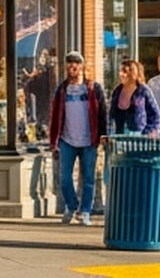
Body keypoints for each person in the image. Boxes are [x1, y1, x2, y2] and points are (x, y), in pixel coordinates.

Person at [48, 53, 105, 226]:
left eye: (76, 64)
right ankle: (72, 205)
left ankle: (85, 211)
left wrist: (102, 134)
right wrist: (53, 140)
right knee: (65, 178)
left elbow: (102, 112)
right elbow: (55, 115)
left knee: (88, 178)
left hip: (89, 140)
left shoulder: (93, 88)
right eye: (69, 65)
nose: (72, 68)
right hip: (67, 139)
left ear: (82, 66)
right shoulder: (62, 89)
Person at [109, 58, 160, 136]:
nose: (122, 74)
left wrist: (151, 132)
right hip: (119, 137)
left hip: (139, 138)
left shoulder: (143, 91)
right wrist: (110, 135)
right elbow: (111, 116)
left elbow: (155, 115)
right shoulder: (117, 92)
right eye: (121, 71)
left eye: (126, 71)